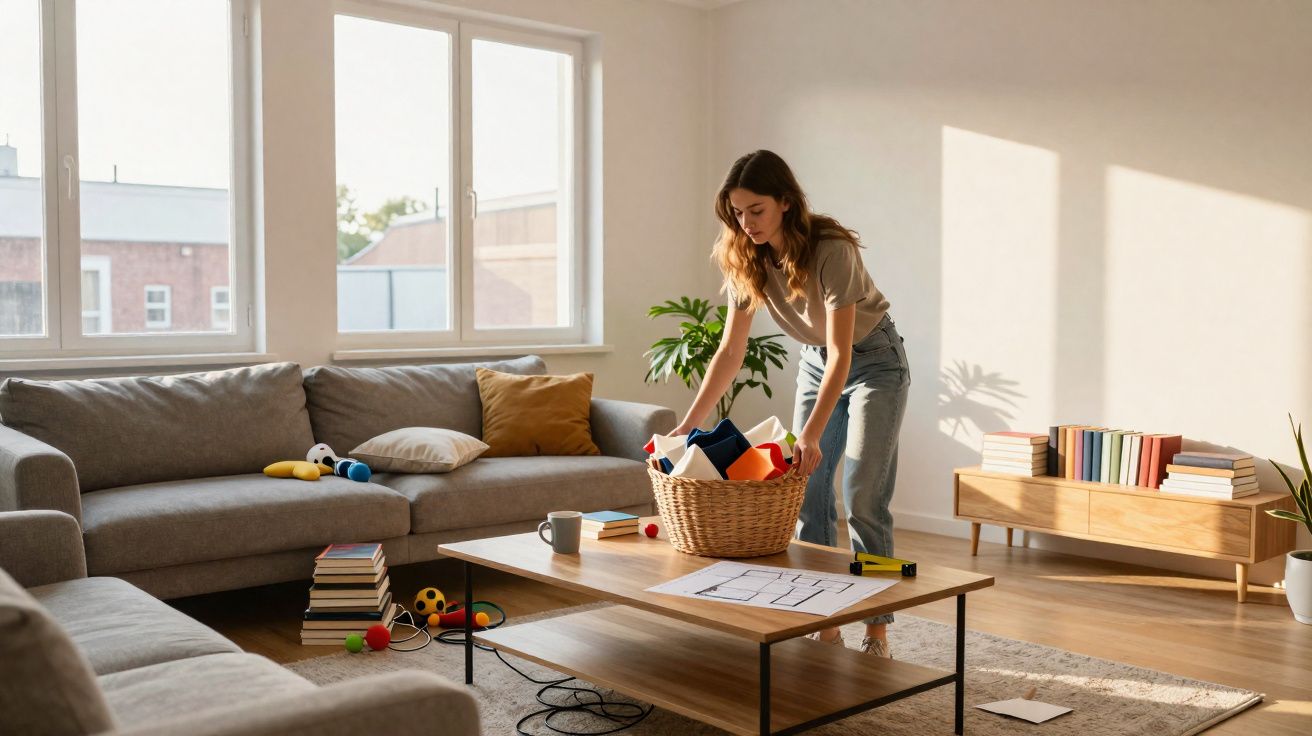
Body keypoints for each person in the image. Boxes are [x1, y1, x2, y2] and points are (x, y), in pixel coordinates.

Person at [670, 149, 910, 657]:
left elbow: (844, 351)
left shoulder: (831, 249)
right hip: (815, 363)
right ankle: (824, 624)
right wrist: (687, 424)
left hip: (874, 363)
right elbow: (731, 351)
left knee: (864, 495)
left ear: (785, 202)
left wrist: (810, 433)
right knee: (808, 492)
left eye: (755, 210)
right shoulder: (743, 254)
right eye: (737, 211)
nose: (745, 222)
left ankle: (877, 629)